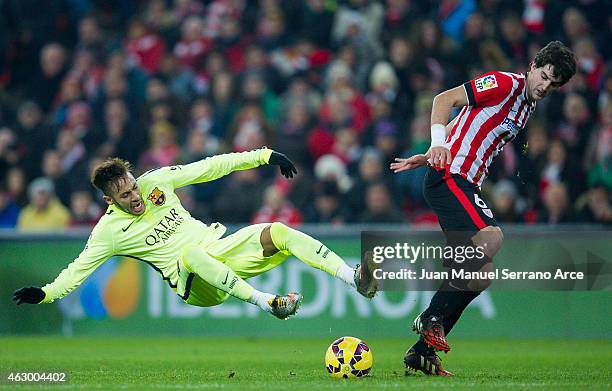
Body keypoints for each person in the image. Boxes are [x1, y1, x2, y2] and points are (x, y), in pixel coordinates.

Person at [13, 149, 378, 320]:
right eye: (125, 196)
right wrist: (45, 294)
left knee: (279, 231)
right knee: (189, 255)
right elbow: (78, 269)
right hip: (194, 285)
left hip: (218, 249)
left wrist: (264, 156)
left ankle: (354, 279)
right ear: (110, 200)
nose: (136, 197)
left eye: (134, 188)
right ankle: (269, 303)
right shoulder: (109, 232)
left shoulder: (155, 182)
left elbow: (210, 167)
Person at [391, 41, 576, 375]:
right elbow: (443, 100)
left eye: (554, 84)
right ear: (534, 65)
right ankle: (431, 315)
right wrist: (436, 146)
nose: (546, 86)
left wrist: (430, 153)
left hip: (461, 180)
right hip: (451, 176)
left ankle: (422, 352)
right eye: (545, 76)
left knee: (482, 275)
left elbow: (468, 124)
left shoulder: (526, 107)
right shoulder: (505, 84)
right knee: (492, 237)